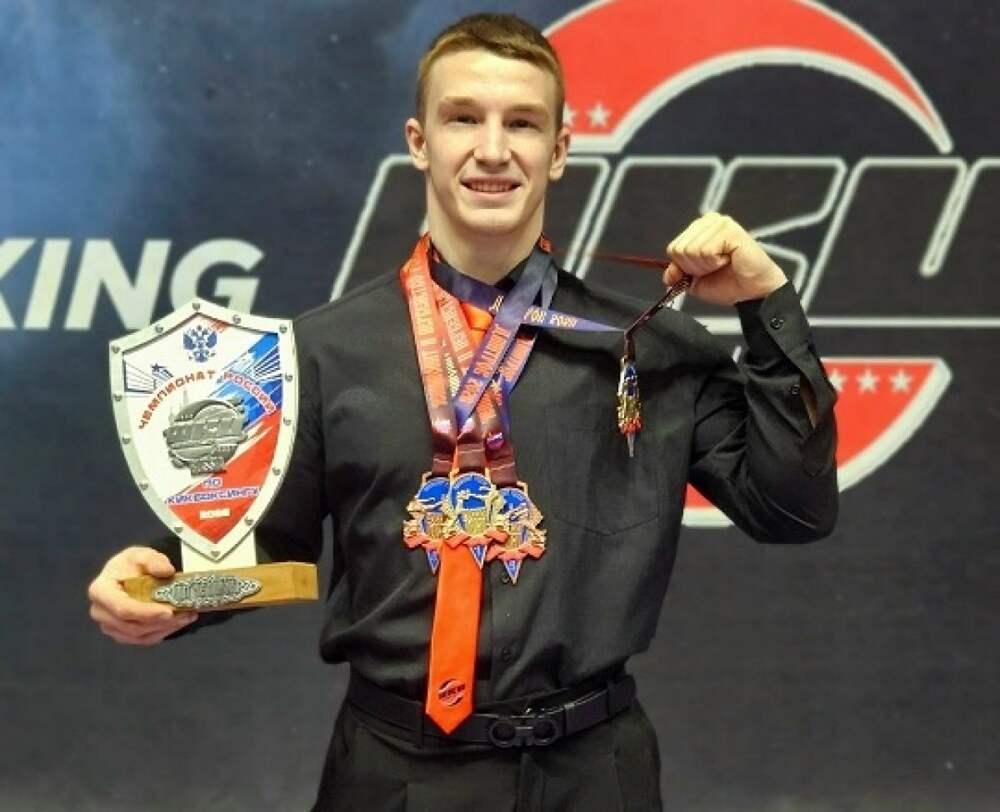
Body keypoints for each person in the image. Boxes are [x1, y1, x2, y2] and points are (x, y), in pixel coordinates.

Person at [88, 13, 837, 811]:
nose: (492, 149)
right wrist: (168, 585)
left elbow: (791, 509)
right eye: (463, 118)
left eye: (523, 123)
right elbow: (270, 539)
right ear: (419, 141)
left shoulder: (650, 349)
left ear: (559, 150)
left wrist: (767, 304)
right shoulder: (322, 351)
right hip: (394, 773)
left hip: (593, 775)